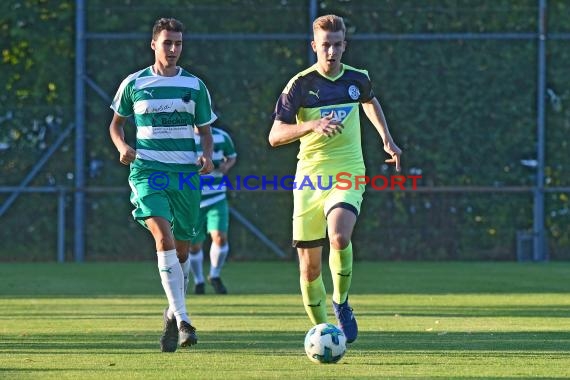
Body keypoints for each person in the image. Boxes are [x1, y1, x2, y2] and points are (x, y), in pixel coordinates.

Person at [268, 14, 402, 344]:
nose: (331, 52)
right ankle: (322, 331)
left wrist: (386, 138)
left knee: (339, 236)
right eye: (325, 45)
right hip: (310, 179)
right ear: (314, 46)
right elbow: (275, 135)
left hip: (348, 171)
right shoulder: (299, 85)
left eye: (337, 45)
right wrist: (311, 125)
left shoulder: (357, 79)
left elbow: (369, 101)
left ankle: (341, 303)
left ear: (345, 45)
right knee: (309, 269)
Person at [109, 17, 216, 353]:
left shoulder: (195, 86)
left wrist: (208, 156)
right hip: (147, 173)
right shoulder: (134, 83)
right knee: (163, 235)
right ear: (153, 44)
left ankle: (171, 315)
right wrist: (122, 146)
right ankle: (184, 320)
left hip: (185, 177)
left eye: (178, 43)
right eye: (167, 42)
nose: (173, 49)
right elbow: (116, 125)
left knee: (182, 251)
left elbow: (207, 132)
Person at [188, 125, 237, 295]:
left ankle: (214, 275)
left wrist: (225, 166)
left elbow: (231, 157)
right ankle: (199, 280)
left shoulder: (222, 136)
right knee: (194, 246)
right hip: (192, 200)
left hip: (217, 196)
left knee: (220, 237)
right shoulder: (183, 136)